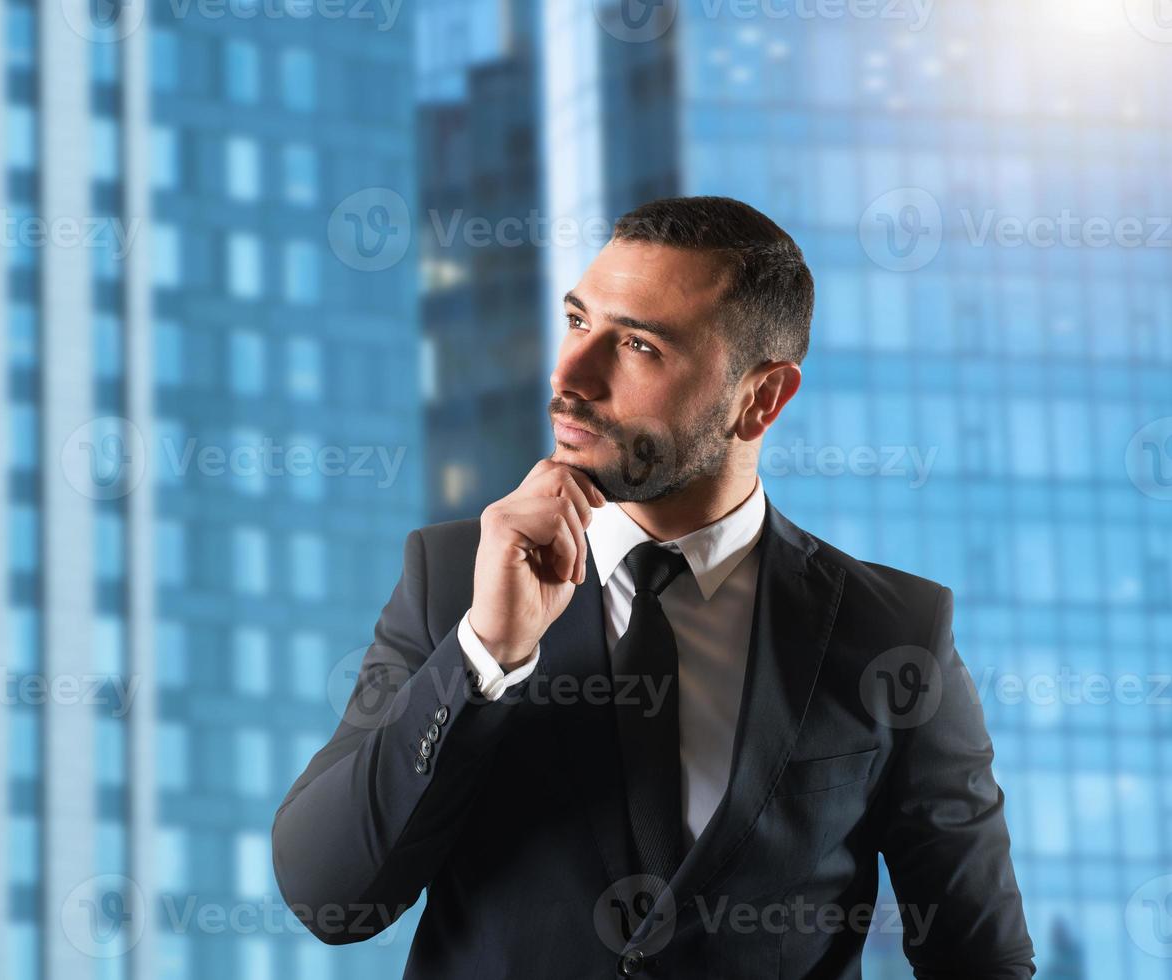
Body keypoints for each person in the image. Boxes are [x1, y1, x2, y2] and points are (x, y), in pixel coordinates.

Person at [271, 196, 1035, 978]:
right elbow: (331, 895)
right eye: (577, 322)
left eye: (637, 345)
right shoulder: (450, 580)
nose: (571, 375)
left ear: (760, 398)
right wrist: (485, 653)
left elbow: (980, 959)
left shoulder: (891, 631)